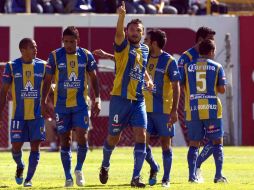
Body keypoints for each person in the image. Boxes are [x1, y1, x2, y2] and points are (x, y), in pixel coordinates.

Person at [98, 1, 153, 188]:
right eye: (131, 30)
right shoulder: (122, 45)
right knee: (114, 137)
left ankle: (136, 177)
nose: (134, 33)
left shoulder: (145, 50)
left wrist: (148, 79)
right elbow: (118, 34)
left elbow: (141, 66)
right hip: (119, 100)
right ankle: (105, 164)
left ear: (142, 33)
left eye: (138, 30)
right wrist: (121, 16)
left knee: (141, 135)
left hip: (138, 100)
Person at [41, 26, 101, 187]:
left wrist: (98, 99)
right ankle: (68, 176)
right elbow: (47, 80)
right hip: (61, 106)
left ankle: (79, 170)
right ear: (62, 41)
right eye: (66, 41)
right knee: (65, 140)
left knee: (82, 136)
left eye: (72, 42)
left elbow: (94, 78)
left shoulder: (86, 55)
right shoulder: (54, 56)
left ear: (77, 41)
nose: (68, 45)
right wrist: (43, 101)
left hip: (81, 104)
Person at [0, 38, 46, 187]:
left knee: (35, 147)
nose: (36, 49)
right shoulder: (12, 66)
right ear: (23, 50)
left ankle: (28, 179)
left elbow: (51, 86)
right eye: (33, 47)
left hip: (37, 116)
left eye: (36, 46)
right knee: (16, 147)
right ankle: (20, 165)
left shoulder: (43, 66)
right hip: (18, 116)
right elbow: (3, 92)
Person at [180, 39, 227, 183]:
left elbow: (181, 85)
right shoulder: (217, 66)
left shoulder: (187, 67)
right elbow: (222, 89)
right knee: (217, 141)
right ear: (212, 52)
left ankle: (191, 176)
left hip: (193, 108)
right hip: (212, 108)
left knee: (194, 143)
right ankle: (218, 175)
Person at [142, 29, 180, 188]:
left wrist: (174, 110)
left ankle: (166, 178)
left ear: (154, 43)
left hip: (164, 110)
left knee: (166, 143)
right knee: (141, 143)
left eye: (147, 40)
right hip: (144, 109)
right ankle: (154, 166)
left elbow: (176, 87)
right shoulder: (144, 57)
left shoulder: (170, 61)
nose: (144, 42)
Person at [178, 26, 216, 182]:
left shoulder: (208, 56)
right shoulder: (185, 58)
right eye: (210, 39)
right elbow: (180, 82)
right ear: (201, 40)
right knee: (199, 141)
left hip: (207, 105)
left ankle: (196, 168)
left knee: (215, 139)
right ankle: (192, 174)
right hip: (195, 106)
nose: (213, 43)